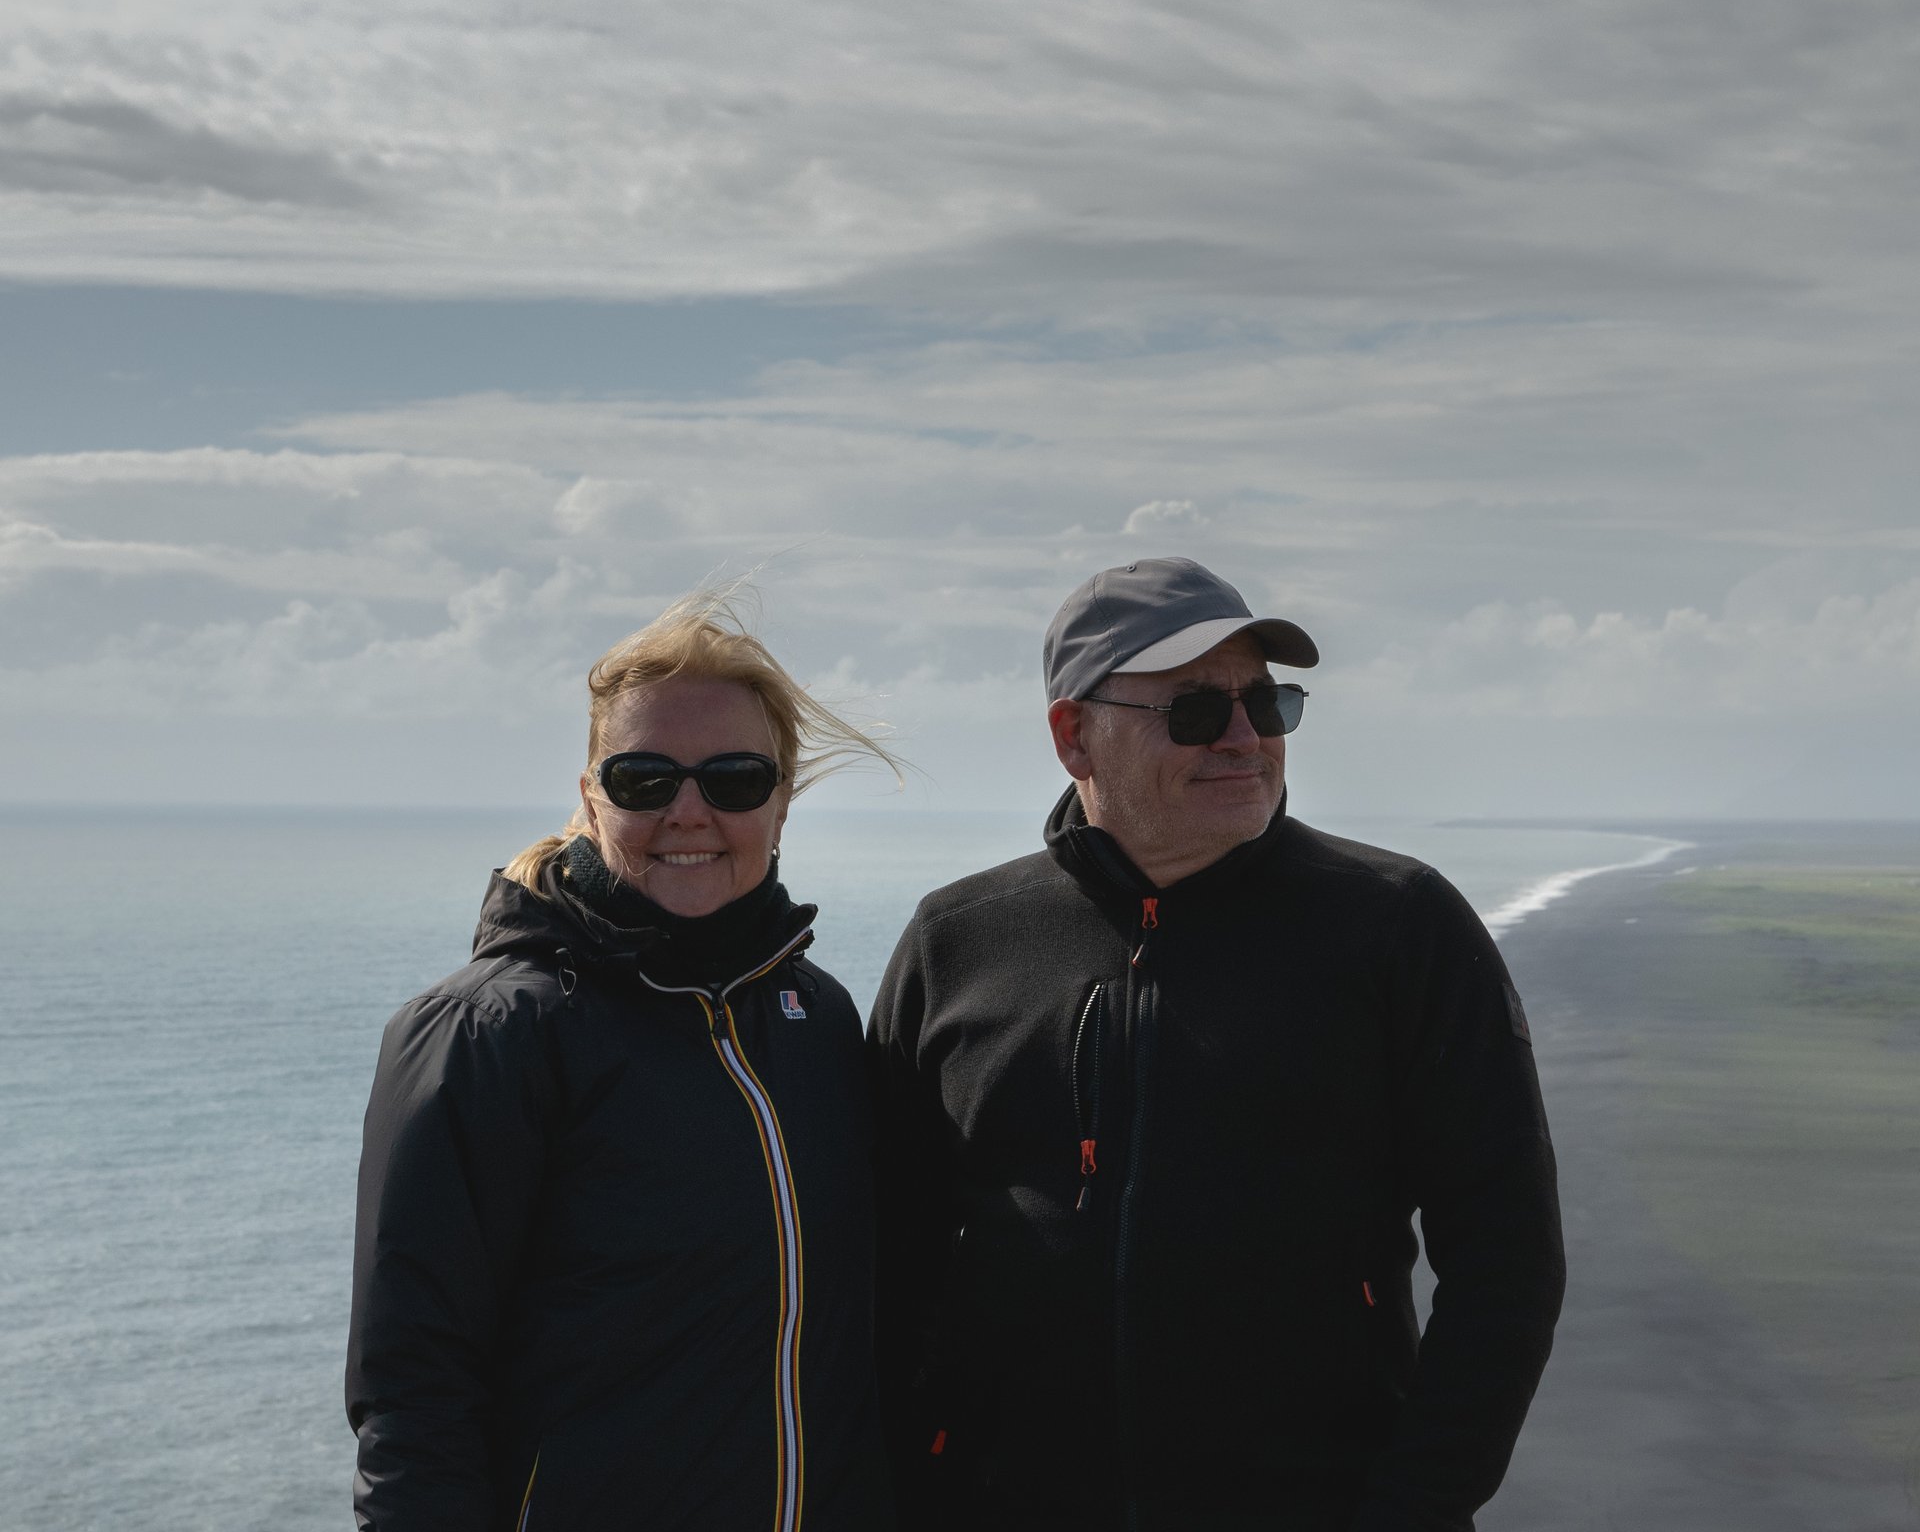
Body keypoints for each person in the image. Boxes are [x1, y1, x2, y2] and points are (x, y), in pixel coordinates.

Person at [869, 557, 1565, 1532]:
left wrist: (1412, 1507)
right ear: (1076, 736)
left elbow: (1507, 1259)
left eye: (1266, 704)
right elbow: (886, 1259)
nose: (1244, 738)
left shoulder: (1398, 926)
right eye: (1195, 712)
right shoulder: (960, 939)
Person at [347, 592, 896, 1532]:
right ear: (591, 792)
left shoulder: (816, 1015)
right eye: (644, 778)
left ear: (783, 798)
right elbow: (413, 1397)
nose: (690, 811)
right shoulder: (488, 1033)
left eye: (734, 778)